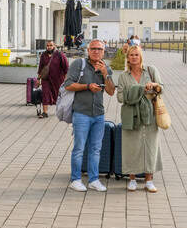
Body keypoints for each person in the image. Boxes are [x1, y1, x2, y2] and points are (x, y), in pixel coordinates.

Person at [63, 39, 115, 192]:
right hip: (81, 113)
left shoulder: (106, 68)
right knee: (79, 148)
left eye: (99, 49)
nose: (96, 51)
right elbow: (68, 84)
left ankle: (93, 180)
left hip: (98, 114)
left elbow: (111, 91)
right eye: (93, 49)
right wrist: (87, 86)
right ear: (88, 50)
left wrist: (105, 74)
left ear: (103, 51)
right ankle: (75, 179)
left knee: (95, 148)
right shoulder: (79, 64)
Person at [116, 45, 162, 193]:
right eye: (131, 55)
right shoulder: (123, 76)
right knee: (131, 147)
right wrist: (140, 90)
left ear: (141, 56)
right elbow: (120, 97)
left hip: (150, 115)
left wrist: (154, 85)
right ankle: (132, 179)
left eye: (136, 55)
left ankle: (149, 180)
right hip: (130, 115)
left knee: (150, 146)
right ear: (127, 57)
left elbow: (161, 89)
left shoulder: (151, 71)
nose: (134, 57)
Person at [37, 40, 69, 119]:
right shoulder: (43, 55)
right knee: (45, 94)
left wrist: (66, 79)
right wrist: (38, 79)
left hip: (58, 79)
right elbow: (41, 68)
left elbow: (66, 68)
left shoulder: (60, 55)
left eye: (51, 45)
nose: (49, 47)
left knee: (58, 95)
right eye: (47, 45)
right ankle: (45, 112)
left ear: (54, 46)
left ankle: (61, 111)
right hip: (46, 79)